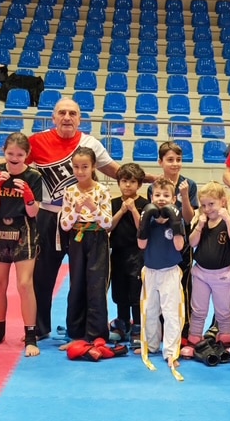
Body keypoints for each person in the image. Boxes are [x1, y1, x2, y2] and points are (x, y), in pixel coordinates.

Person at [19, 98, 120, 340]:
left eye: (72, 113)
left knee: (83, 277)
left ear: (79, 118)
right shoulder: (37, 141)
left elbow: (115, 171)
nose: (67, 117)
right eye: (62, 113)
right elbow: (14, 160)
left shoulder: (90, 144)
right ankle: (39, 328)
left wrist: (147, 178)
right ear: (53, 117)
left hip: (83, 221)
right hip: (48, 215)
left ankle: (81, 329)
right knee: (42, 274)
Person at [0, 132, 42, 357]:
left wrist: (28, 196)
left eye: (20, 155)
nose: (15, 158)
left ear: (27, 155)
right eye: (10, 153)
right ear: (3, 152)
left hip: (24, 230)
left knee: (24, 284)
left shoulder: (33, 176)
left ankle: (31, 337)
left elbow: (33, 212)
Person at [59, 147, 113, 343]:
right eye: (76, 167)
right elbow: (65, 225)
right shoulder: (70, 191)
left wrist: (93, 208)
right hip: (77, 239)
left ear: (93, 167)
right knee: (76, 284)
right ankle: (75, 332)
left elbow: (107, 223)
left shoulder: (102, 190)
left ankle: (96, 334)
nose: (80, 171)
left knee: (96, 285)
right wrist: (76, 210)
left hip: (98, 239)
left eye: (84, 167)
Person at [147, 141, 198, 338]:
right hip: (159, 242)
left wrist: (183, 196)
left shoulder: (189, 185)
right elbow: (153, 215)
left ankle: (183, 332)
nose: (175, 164)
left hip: (181, 242)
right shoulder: (154, 187)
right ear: (160, 162)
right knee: (158, 290)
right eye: (170, 160)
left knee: (182, 286)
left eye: (178, 159)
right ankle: (159, 331)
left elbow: (188, 218)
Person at [137, 177, 187, 373]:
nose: (161, 198)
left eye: (166, 195)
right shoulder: (148, 219)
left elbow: (179, 246)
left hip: (169, 272)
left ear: (173, 199)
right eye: (157, 195)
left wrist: (175, 224)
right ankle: (151, 346)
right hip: (150, 272)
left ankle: (171, 352)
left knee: (171, 313)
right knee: (149, 311)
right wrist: (143, 224)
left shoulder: (176, 219)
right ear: (151, 197)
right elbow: (141, 245)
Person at [187, 181, 230, 347]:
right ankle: (194, 338)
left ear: (222, 202)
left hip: (222, 276)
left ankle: (225, 339)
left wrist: (227, 218)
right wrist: (199, 225)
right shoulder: (201, 223)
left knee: (223, 310)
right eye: (203, 205)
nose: (207, 209)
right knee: (198, 310)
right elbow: (192, 243)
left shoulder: (229, 222)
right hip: (200, 274)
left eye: (211, 204)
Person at [109, 163, 149, 344]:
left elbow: (143, 229)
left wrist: (133, 210)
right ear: (118, 182)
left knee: (136, 290)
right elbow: (108, 226)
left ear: (139, 184)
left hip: (137, 254)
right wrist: (121, 210)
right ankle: (122, 323)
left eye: (132, 182)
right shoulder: (114, 203)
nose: (127, 185)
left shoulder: (145, 204)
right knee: (120, 290)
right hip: (118, 252)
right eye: (124, 181)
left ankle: (138, 326)